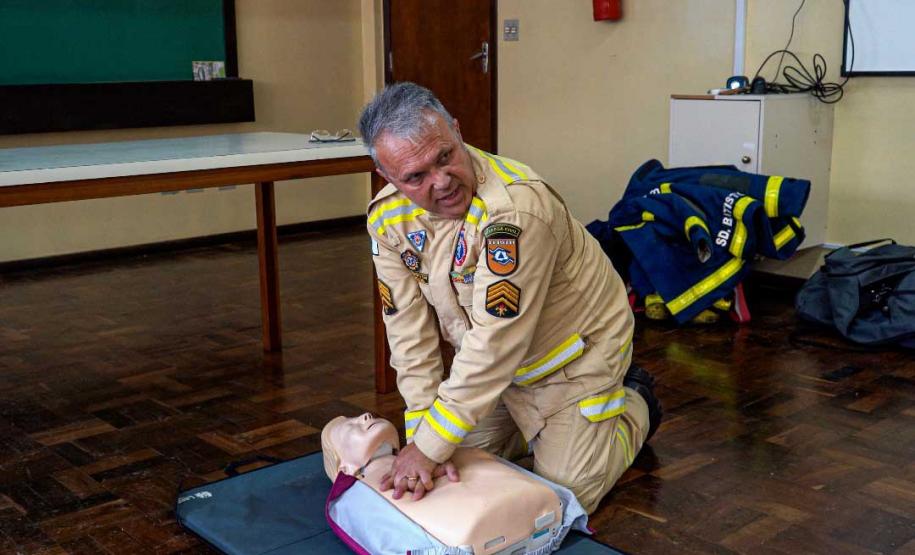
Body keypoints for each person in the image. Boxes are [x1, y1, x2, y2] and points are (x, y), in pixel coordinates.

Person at [359, 82, 662, 514]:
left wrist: (430, 447)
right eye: (416, 177)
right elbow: (408, 334)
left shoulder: (514, 210)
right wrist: (421, 435)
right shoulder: (388, 218)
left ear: (458, 132)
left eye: (445, 157)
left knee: (560, 499)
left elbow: (496, 341)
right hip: (497, 368)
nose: (441, 182)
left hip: (573, 358)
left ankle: (634, 403)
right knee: (451, 472)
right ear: (387, 178)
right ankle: (531, 427)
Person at [321, 414, 588, 554]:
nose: (365, 416)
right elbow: (413, 358)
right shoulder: (355, 496)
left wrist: (429, 448)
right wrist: (425, 447)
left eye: (358, 417)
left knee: (576, 483)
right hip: (475, 535)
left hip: (548, 369)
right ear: (345, 468)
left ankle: (628, 412)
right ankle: (532, 435)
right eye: (352, 426)